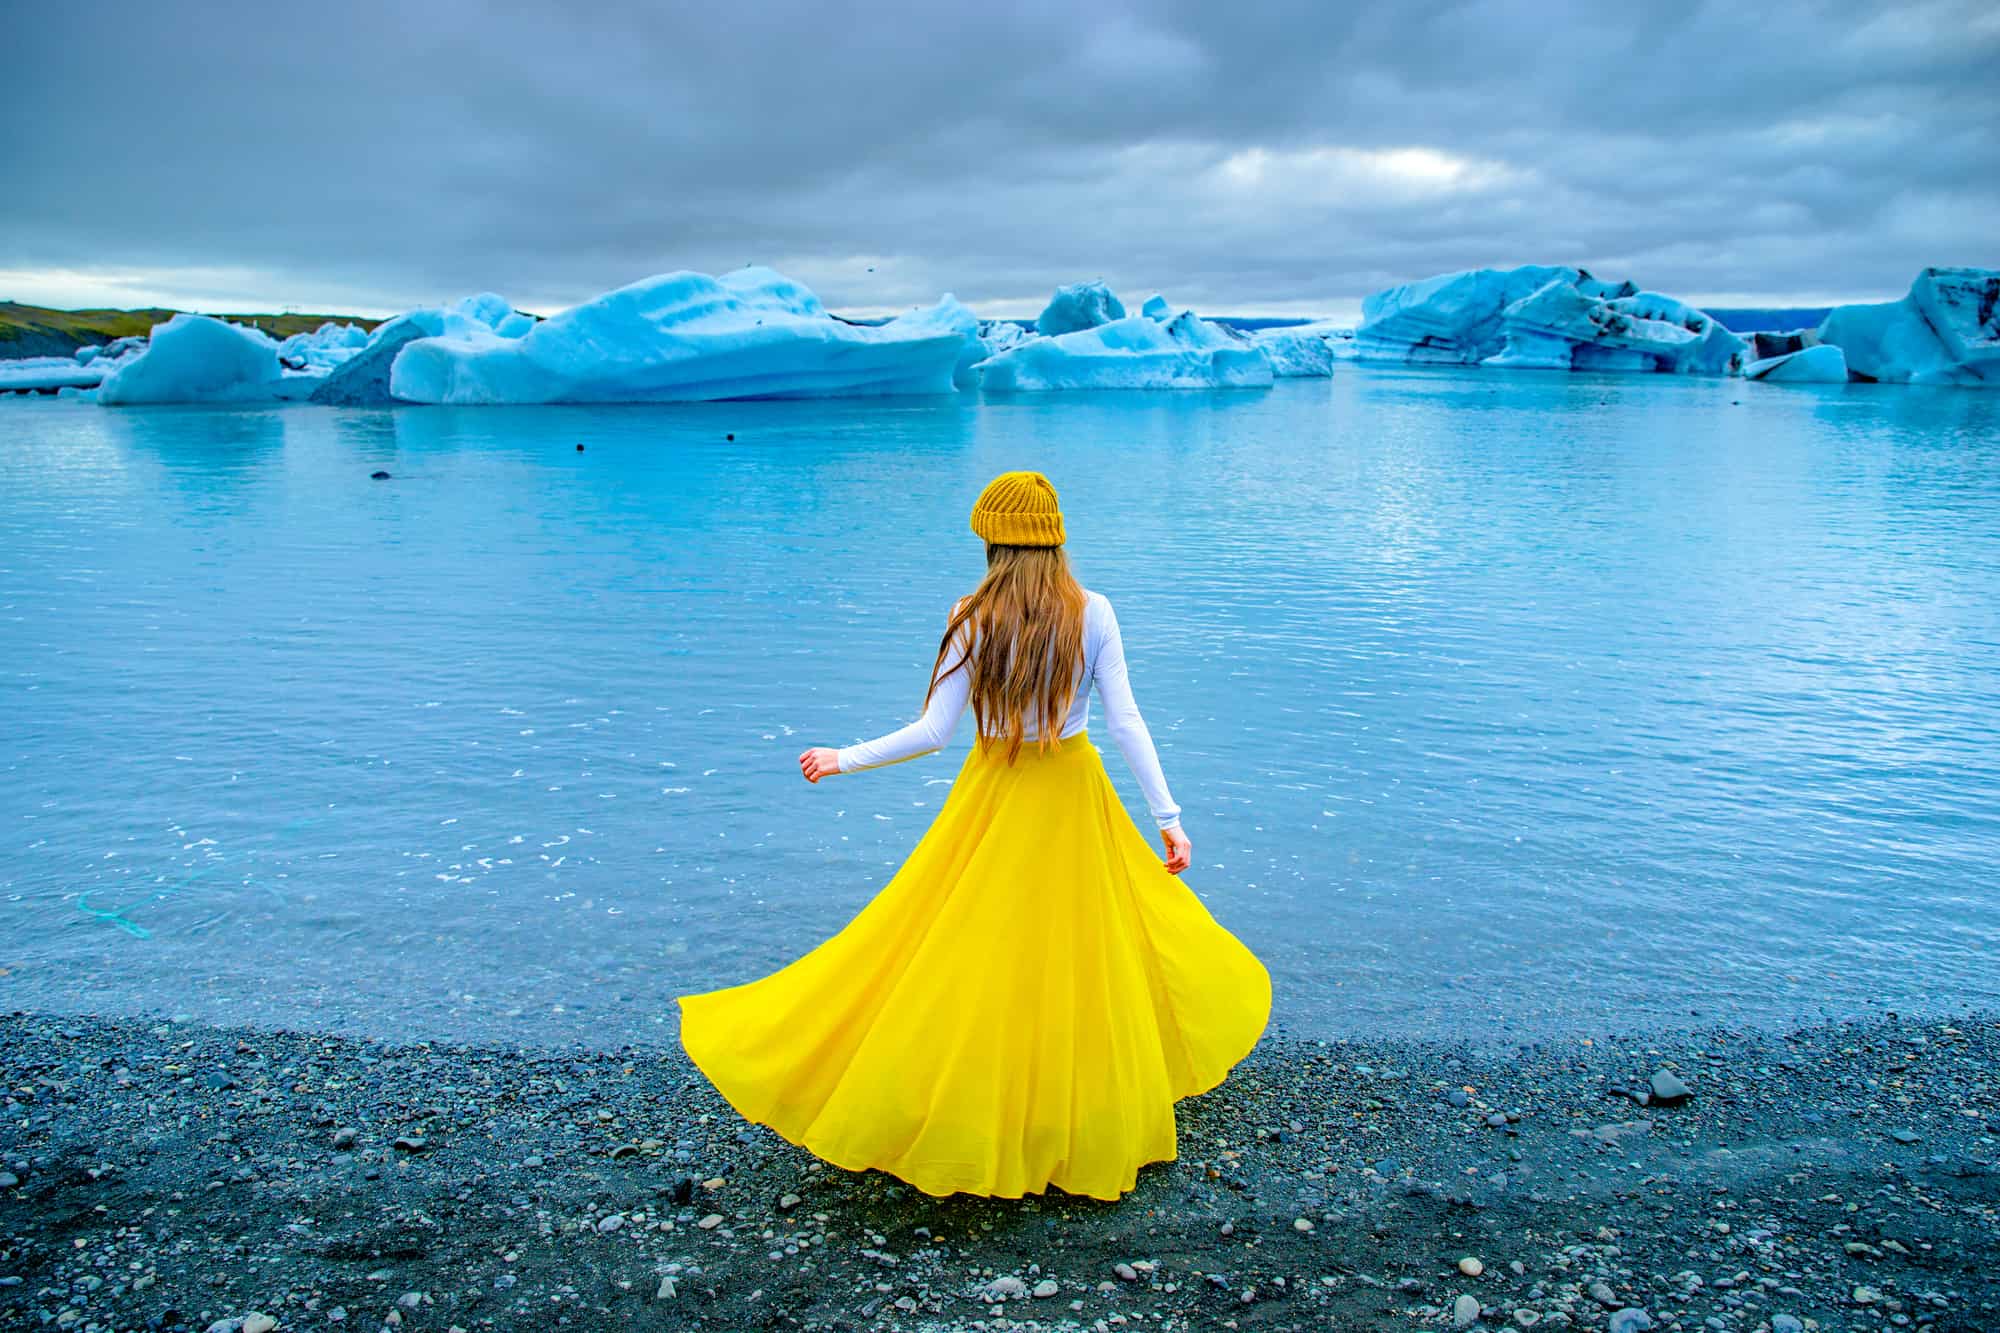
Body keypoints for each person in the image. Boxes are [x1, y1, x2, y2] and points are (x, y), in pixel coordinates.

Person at [677, 471, 1269, 1201]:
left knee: (963, 948)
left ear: (991, 539)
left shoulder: (969, 615)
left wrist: (843, 758)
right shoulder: (1096, 612)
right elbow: (1126, 723)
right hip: (1073, 794)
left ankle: (970, 1107)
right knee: (1083, 954)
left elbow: (932, 732)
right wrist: (1170, 818)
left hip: (991, 795)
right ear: (1056, 534)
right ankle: (1077, 1113)